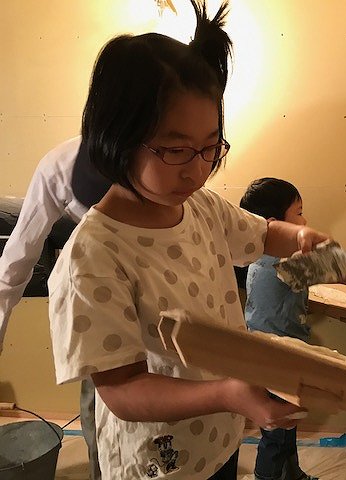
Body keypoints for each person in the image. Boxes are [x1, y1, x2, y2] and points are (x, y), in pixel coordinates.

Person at [47, 1, 329, 479]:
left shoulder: (201, 207)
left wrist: (300, 236)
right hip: (159, 463)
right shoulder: (93, 257)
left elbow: (263, 232)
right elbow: (122, 390)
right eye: (176, 149)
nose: (198, 170)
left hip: (219, 439)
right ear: (116, 136)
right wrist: (226, 393)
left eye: (210, 147)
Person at [239, 177, 346, 480]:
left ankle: (293, 474)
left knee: (287, 422)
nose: (305, 221)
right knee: (276, 433)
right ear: (274, 224)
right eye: (299, 213)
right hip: (277, 360)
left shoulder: (258, 258)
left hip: (265, 355)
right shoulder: (284, 263)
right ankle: (267, 477)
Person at [0, 137, 109, 480]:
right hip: (100, 290)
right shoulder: (59, 166)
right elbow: (16, 259)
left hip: (158, 289)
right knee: (99, 410)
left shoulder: (166, 156)